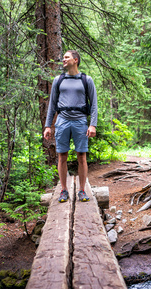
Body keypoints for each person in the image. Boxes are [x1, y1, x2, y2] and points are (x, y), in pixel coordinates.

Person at [43, 50, 98, 202]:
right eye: (63, 57)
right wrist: (48, 126)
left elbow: (94, 105)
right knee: (62, 156)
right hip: (62, 122)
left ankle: (81, 190)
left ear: (75, 60)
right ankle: (63, 190)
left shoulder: (86, 80)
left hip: (80, 121)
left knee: (81, 155)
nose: (63, 59)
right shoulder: (58, 80)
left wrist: (92, 124)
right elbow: (52, 104)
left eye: (66, 57)